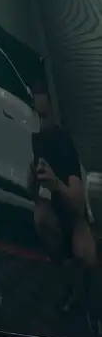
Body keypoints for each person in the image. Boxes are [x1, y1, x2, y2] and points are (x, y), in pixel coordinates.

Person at [29, 85, 97, 268]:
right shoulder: (38, 140)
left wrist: (56, 184)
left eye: (44, 116)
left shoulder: (63, 144)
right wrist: (33, 178)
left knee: (84, 253)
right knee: (40, 213)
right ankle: (60, 263)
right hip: (56, 211)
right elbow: (33, 195)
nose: (41, 122)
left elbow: (78, 206)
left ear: (52, 112)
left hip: (75, 218)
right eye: (37, 116)